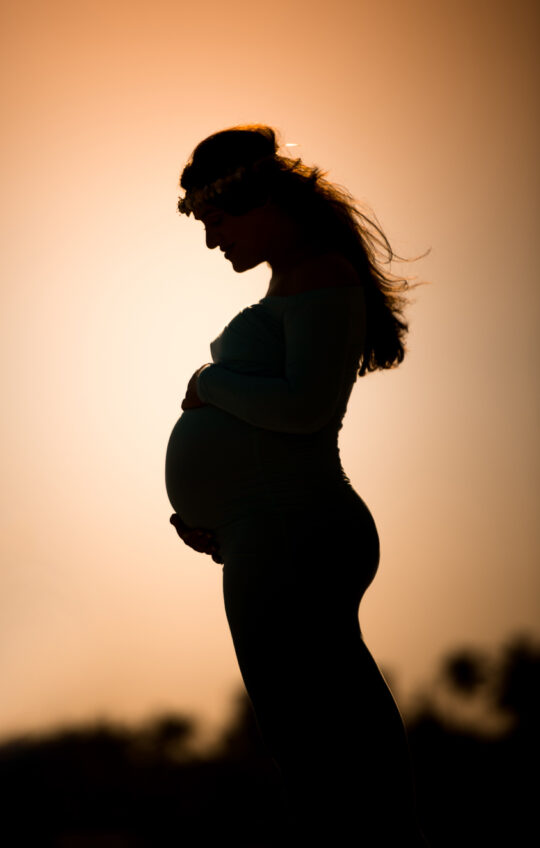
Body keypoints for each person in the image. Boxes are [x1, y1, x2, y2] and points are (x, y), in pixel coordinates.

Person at [165, 125, 428, 845]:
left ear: (259, 201)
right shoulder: (297, 280)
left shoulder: (320, 273)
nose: (213, 238)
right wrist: (217, 518)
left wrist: (209, 382)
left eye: (217, 217)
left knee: (316, 742)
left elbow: (306, 406)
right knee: (315, 731)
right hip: (268, 527)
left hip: (292, 524)